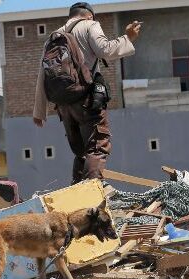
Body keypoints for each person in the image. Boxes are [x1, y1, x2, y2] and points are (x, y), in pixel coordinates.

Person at [33, 1, 141, 184]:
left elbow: (42, 74)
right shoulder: (90, 25)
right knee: (97, 147)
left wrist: (39, 111)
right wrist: (128, 38)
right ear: (89, 15)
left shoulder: (53, 37)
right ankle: (91, 195)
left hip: (64, 105)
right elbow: (105, 50)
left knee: (82, 152)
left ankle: (76, 195)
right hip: (86, 100)